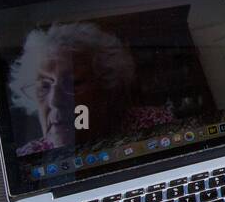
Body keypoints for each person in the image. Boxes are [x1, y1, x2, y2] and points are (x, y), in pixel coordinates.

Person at [9, 21, 172, 155]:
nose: (55, 101)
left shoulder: (155, 124)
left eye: (74, 83)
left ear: (108, 88)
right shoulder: (28, 155)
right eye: (44, 85)